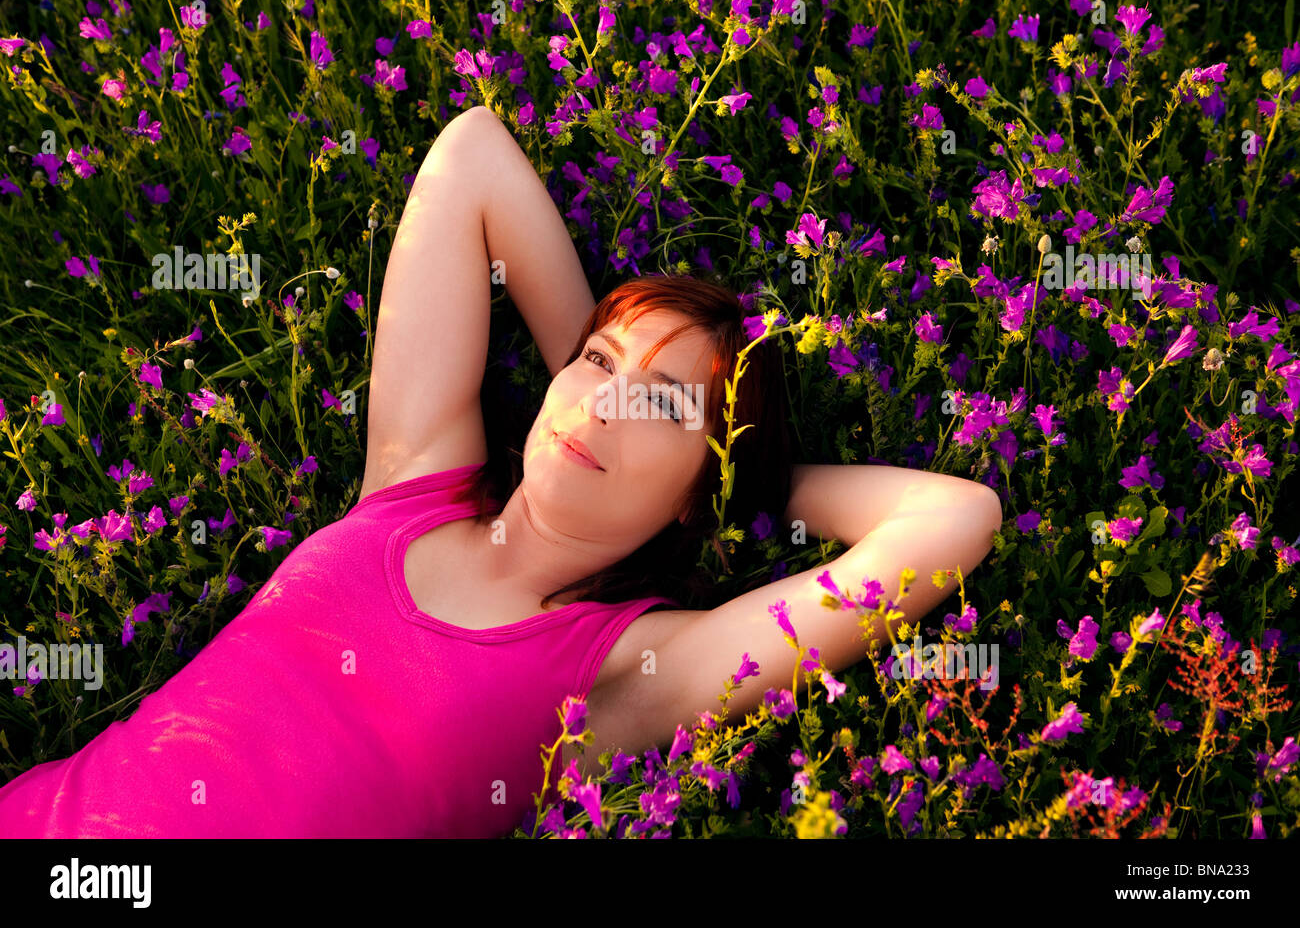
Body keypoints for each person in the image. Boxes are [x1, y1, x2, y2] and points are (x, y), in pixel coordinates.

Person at [0, 107, 1002, 838]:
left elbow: (952, 516)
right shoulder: (414, 476)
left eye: (659, 402)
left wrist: (750, 478)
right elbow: (471, 153)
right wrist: (594, 371)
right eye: (597, 362)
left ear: (702, 484)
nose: (602, 399)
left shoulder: (622, 670)